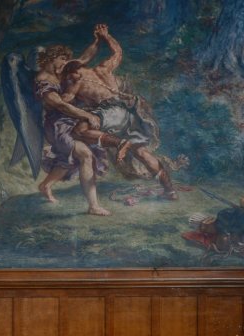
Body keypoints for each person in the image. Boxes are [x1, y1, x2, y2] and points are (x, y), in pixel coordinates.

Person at [59, 24, 178, 200]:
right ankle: (170, 190)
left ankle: (120, 142)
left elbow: (65, 102)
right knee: (142, 153)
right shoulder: (103, 68)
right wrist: (106, 36)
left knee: (79, 131)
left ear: (71, 72)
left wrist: (53, 95)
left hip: (110, 113)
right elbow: (118, 52)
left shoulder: (75, 79)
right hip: (127, 113)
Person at [34, 34, 112, 216]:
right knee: (84, 155)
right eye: (62, 59)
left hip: (71, 122)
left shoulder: (59, 72)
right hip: (57, 126)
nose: (65, 63)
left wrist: (96, 41)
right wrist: (86, 114)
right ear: (52, 57)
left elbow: (84, 58)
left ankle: (46, 185)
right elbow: (60, 105)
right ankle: (93, 206)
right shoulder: (42, 80)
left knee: (73, 159)